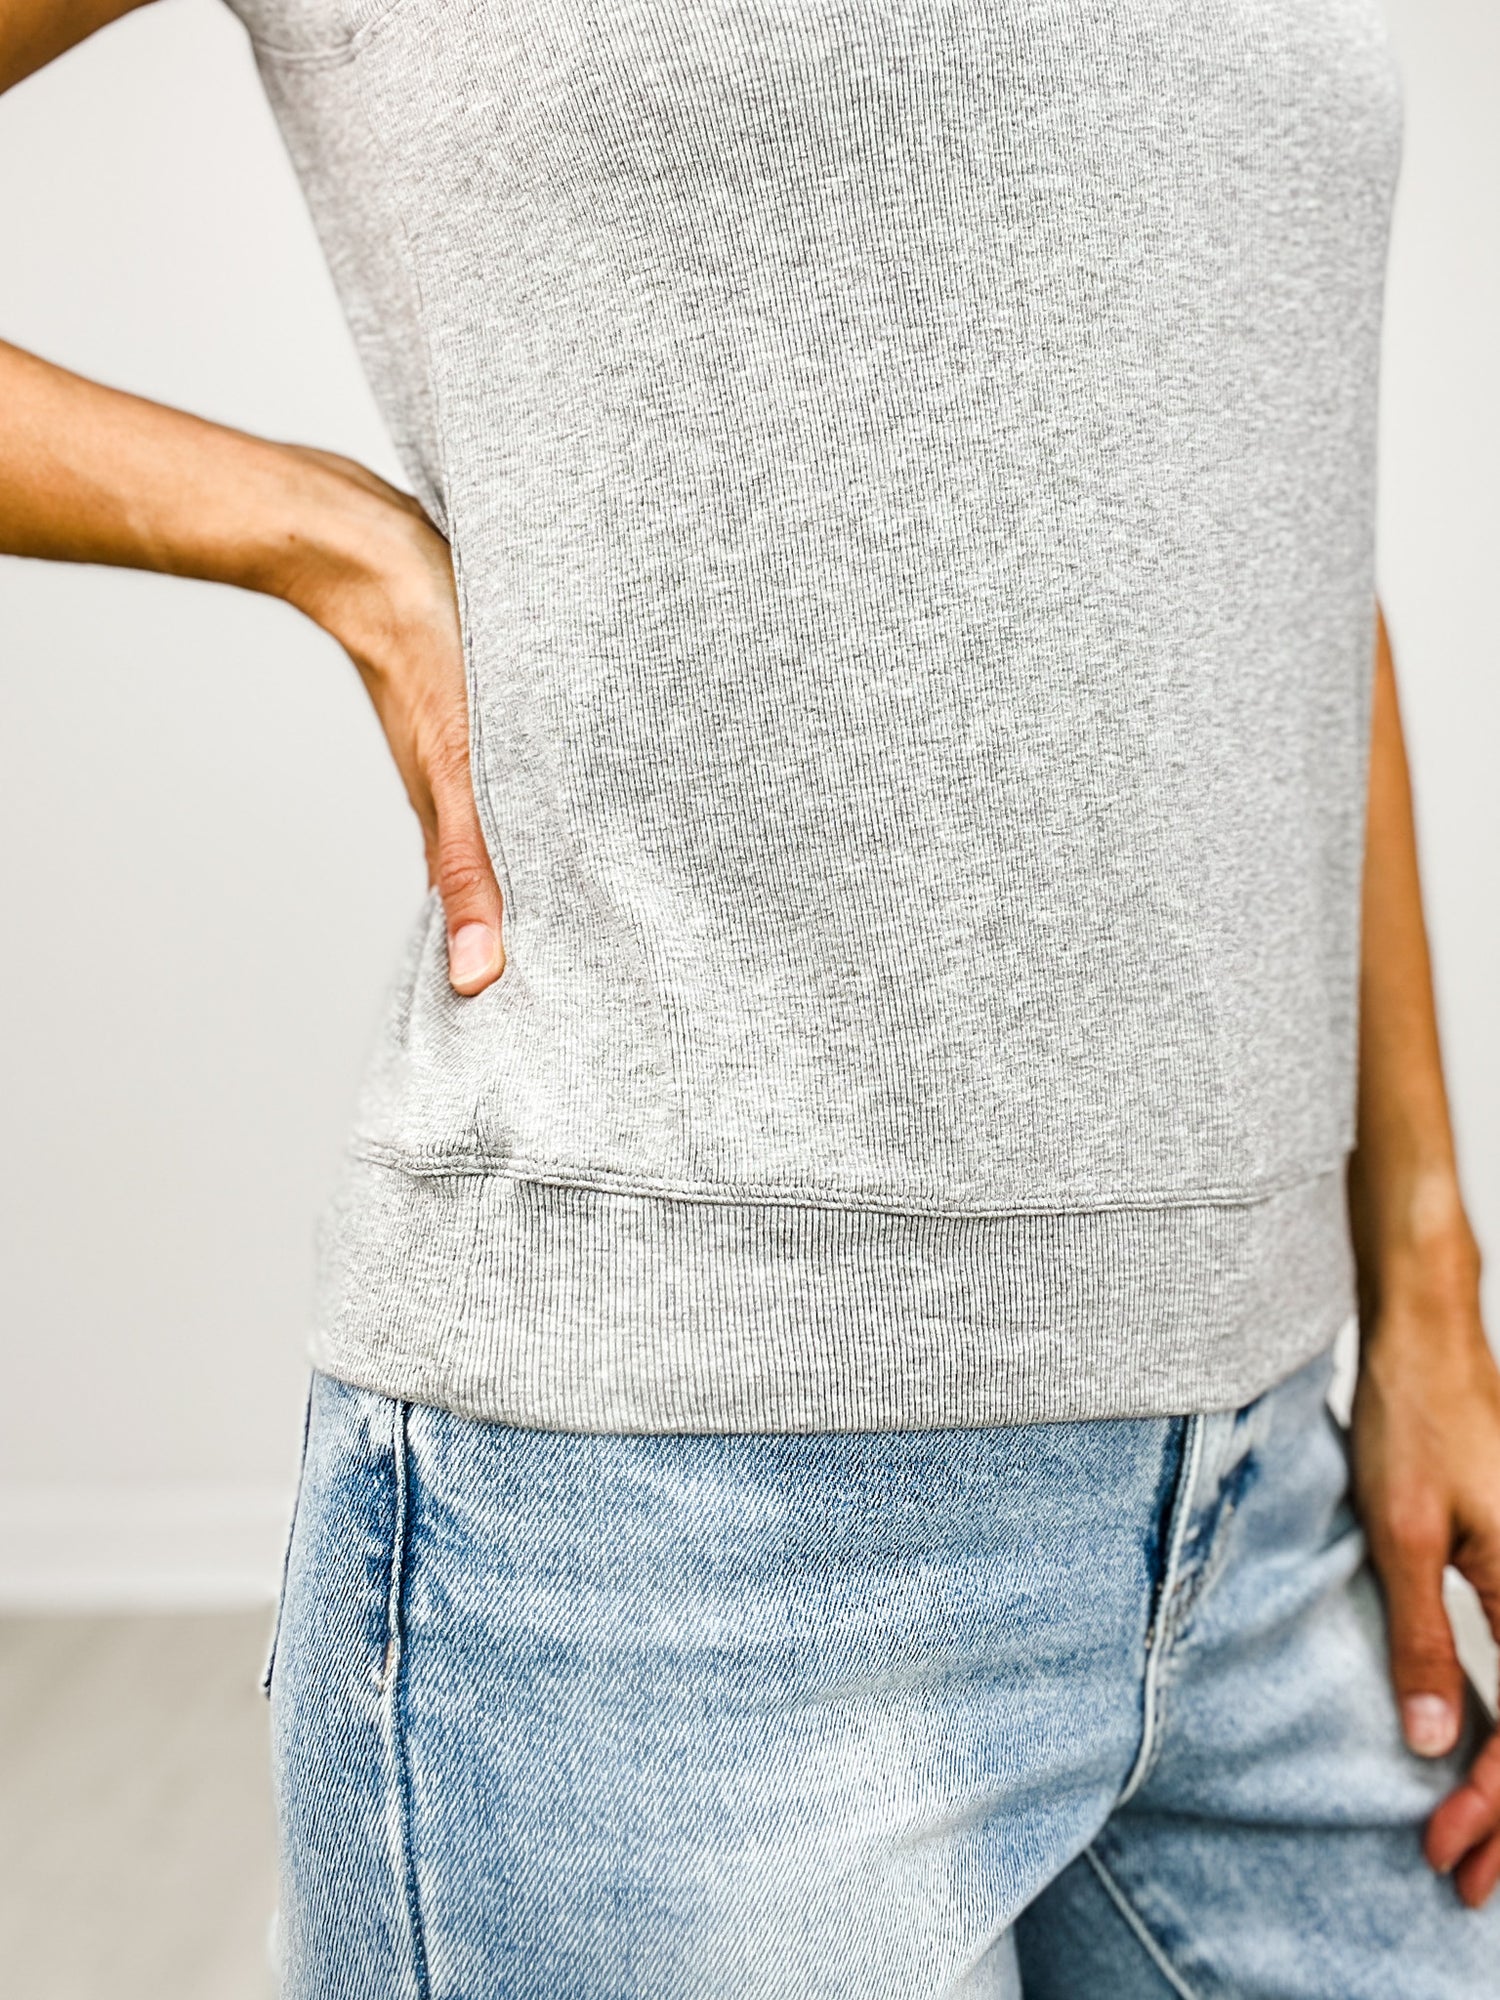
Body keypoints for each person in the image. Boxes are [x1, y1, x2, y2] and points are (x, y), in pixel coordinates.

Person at [4, 0, 1499, 1992]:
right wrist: (317, 531)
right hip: (663, 1537)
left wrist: (1427, 1281)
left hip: (1264, 1496)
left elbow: (1265, 548)